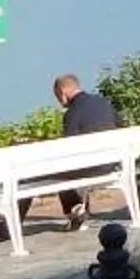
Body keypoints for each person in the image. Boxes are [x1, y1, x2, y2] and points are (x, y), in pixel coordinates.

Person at [53, 72, 121, 224]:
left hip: (90, 169)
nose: (59, 101)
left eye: (57, 96)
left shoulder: (72, 113)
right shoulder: (103, 102)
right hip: (111, 165)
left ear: (62, 92)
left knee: (57, 172)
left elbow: (68, 148)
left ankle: (75, 209)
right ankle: (77, 209)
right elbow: (120, 126)